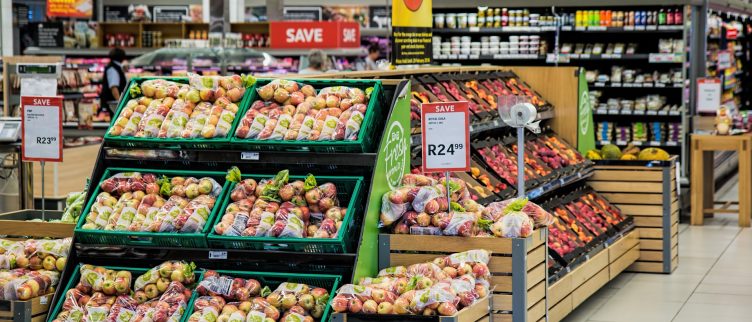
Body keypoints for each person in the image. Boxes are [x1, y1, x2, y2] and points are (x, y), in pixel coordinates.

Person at [100, 47, 127, 117]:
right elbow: (114, 87)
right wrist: (120, 103)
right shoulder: (113, 68)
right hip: (113, 104)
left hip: (113, 103)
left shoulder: (115, 67)